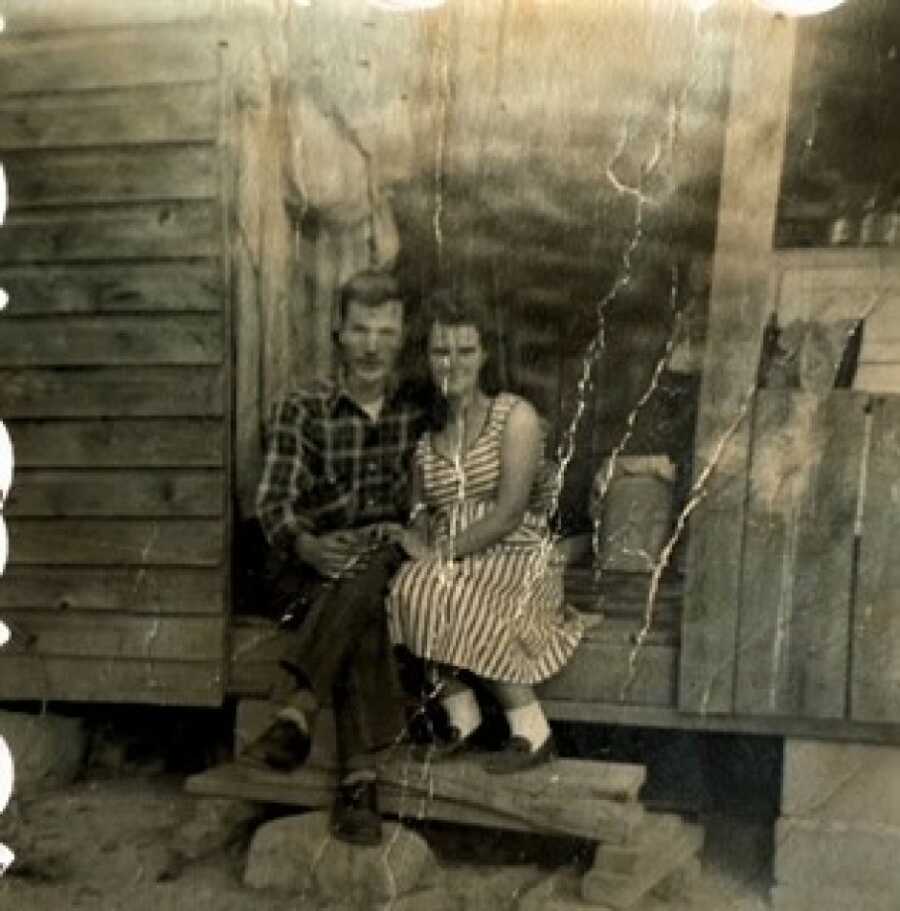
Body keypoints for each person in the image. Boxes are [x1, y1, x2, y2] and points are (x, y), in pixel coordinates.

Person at [245, 270, 426, 845]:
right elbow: (273, 503)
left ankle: (301, 708)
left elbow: (430, 505)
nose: (372, 346)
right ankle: (358, 780)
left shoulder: (417, 413)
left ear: (401, 337)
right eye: (360, 330)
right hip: (302, 566)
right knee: (362, 597)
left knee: (369, 573)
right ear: (337, 334)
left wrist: (395, 531)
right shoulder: (304, 408)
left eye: (385, 332)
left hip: (376, 564)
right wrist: (308, 544)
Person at [387, 290, 583, 774]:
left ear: (485, 354)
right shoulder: (426, 433)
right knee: (405, 589)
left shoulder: (513, 416)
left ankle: (532, 729)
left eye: (466, 351)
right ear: (427, 357)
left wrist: (441, 554)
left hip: (513, 552)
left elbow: (511, 512)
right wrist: (415, 535)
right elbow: (420, 507)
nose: (452, 363)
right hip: (453, 558)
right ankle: (463, 714)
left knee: (444, 588)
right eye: (440, 352)